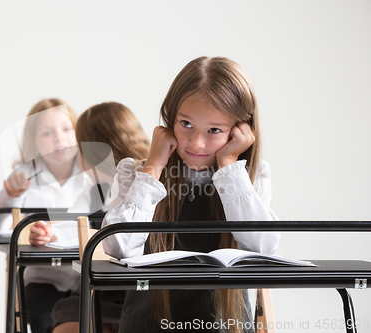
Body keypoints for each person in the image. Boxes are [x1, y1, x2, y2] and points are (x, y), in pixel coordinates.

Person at [102, 57, 281, 332]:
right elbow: (117, 246)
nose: (197, 143)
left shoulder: (248, 177)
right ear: (169, 119)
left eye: (214, 130)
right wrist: (153, 167)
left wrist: (230, 167)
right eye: (186, 124)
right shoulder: (136, 173)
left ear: (239, 131)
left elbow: (262, 247)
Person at [41, 102, 151, 333]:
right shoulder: (97, 189)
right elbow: (72, 222)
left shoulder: (148, 179)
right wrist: (53, 233)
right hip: (105, 288)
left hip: (135, 291)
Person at [0, 98, 90, 333]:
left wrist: (56, 234)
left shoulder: (92, 176)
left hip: (86, 281)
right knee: (47, 322)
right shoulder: (24, 177)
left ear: (78, 133)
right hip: (42, 282)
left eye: (66, 129)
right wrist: (10, 194)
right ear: (33, 141)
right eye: (47, 133)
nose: (59, 138)